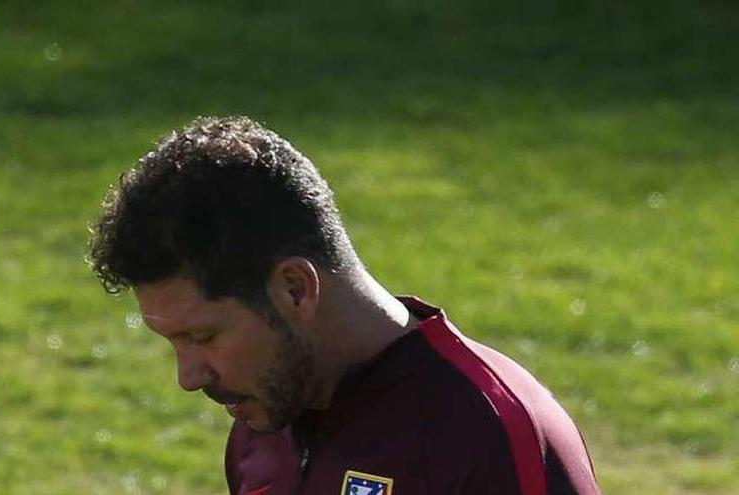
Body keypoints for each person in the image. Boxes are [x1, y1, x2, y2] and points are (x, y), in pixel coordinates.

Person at [87, 116, 601, 495]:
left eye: (203, 337)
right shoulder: (264, 420)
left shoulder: (487, 433)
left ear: (295, 289)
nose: (188, 377)